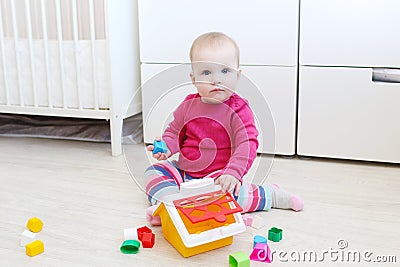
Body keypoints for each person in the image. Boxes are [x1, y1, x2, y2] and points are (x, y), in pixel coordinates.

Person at [144, 32, 303, 225]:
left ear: (238, 75)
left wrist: (232, 173)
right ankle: (170, 205)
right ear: (193, 79)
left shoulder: (238, 109)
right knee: (154, 172)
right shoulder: (187, 106)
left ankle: (270, 195)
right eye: (206, 73)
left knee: (232, 196)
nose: (216, 80)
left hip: (219, 177)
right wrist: (167, 146)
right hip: (185, 173)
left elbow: (247, 144)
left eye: (225, 71)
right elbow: (174, 132)